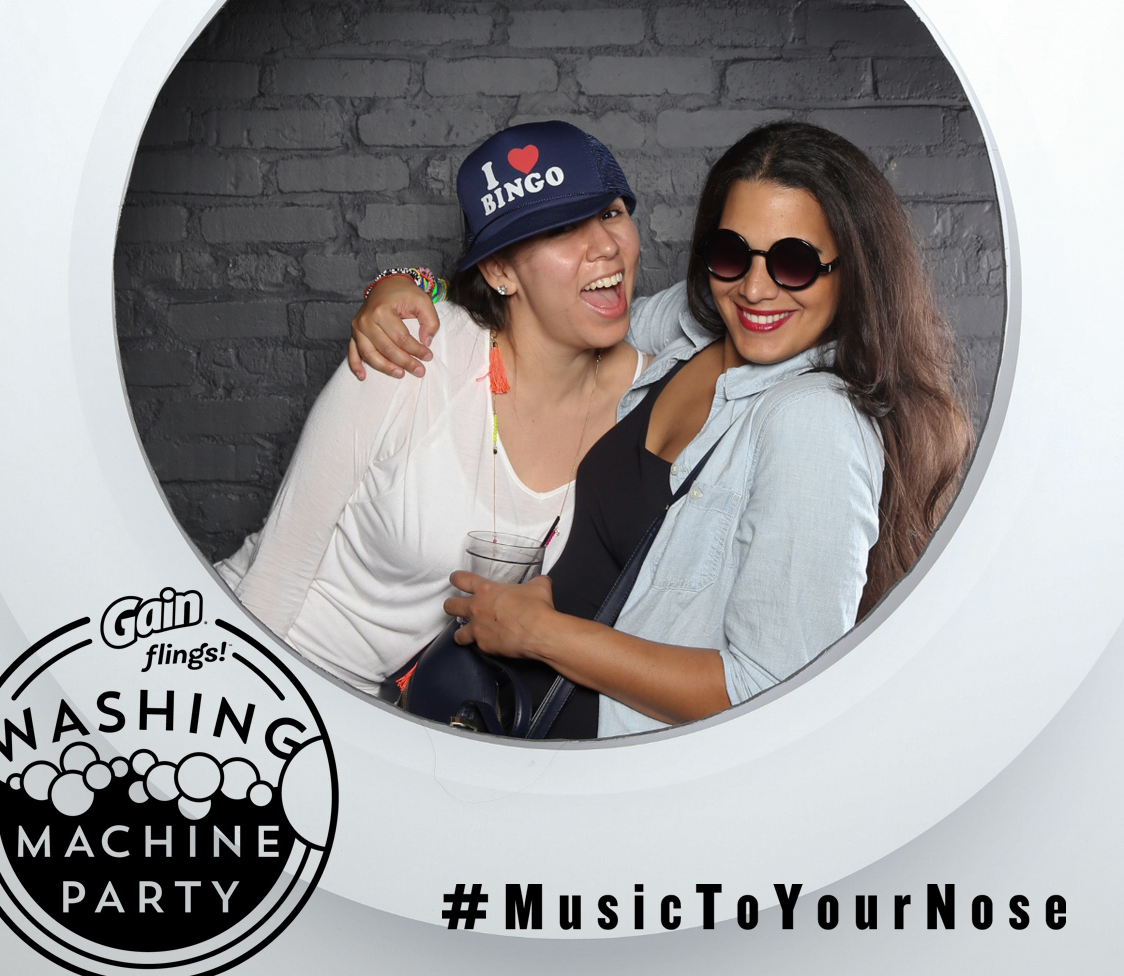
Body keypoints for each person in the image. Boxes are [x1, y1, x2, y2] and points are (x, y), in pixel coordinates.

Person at [348, 121, 974, 736]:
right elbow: (551, 314)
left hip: (606, 760)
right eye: (732, 254)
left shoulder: (814, 422)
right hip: (510, 706)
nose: (755, 289)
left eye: (794, 262)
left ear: (852, 269)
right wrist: (405, 287)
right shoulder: (693, 327)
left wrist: (542, 635)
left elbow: (771, 691)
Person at [216, 121, 645, 696]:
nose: (606, 245)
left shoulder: (652, 399)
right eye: (562, 227)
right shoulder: (412, 349)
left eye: (611, 213)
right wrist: (231, 704)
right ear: (500, 271)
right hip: (264, 661)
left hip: (405, 716)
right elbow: (277, 570)